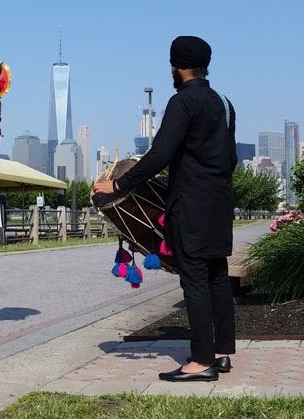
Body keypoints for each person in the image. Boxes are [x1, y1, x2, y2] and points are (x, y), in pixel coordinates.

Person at [92, 35, 237, 382]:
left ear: (176, 67)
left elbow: (160, 154)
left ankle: (201, 361)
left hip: (191, 204)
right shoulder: (225, 102)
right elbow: (230, 158)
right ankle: (221, 352)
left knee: (195, 281)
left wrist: (119, 184)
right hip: (220, 202)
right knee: (217, 275)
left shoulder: (182, 101)